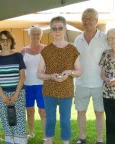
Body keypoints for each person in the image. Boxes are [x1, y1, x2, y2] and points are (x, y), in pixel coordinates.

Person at [37, 16, 82, 144]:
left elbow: (79, 71)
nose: (57, 31)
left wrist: (70, 72)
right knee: (50, 119)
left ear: (65, 29)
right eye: (54, 28)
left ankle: (65, 142)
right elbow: (39, 74)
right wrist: (50, 76)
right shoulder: (45, 51)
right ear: (51, 31)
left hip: (66, 91)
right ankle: (49, 141)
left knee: (65, 120)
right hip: (49, 90)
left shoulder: (72, 49)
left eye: (60, 28)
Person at [74, 8, 109, 144]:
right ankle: (82, 137)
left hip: (100, 84)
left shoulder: (105, 38)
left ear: (96, 21)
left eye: (90, 18)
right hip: (81, 83)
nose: (86, 21)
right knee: (80, 111)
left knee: (99, 112)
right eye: (84, 19)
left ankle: (100, 140)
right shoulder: (78, 39)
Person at [0, 30, 27, 144]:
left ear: (11, 41)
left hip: (18, 94)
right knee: (6, 121)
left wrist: (16, 94)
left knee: (20, 121)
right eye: (2, 40)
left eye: (8, 39)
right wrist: (3, 96)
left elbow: (22, 77)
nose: (5, 42)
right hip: (2, 95)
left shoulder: (18, 56)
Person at [21, 25, 46, 142]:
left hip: (42, 84)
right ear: (29, 35)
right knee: (29, 110)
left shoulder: (46, 49)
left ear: (41, 35)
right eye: (33, 33)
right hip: (27, 85)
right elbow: (19, 69)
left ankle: (46, 135)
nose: (35, 36)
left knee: (43, 111)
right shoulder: (23, 51)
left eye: (38, 34)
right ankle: (31, 133)